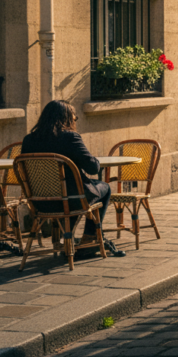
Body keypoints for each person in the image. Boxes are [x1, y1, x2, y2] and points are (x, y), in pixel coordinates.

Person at [20, 100, 124, 260]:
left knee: (73, 193)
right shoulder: (70, 138)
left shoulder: (28, 140)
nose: (75, 120)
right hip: (71, 200)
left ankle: (66, 238)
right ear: (67, 118)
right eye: (74, 117)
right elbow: (92, 168)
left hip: (40, 202)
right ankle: (90, 238)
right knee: (104, 188)